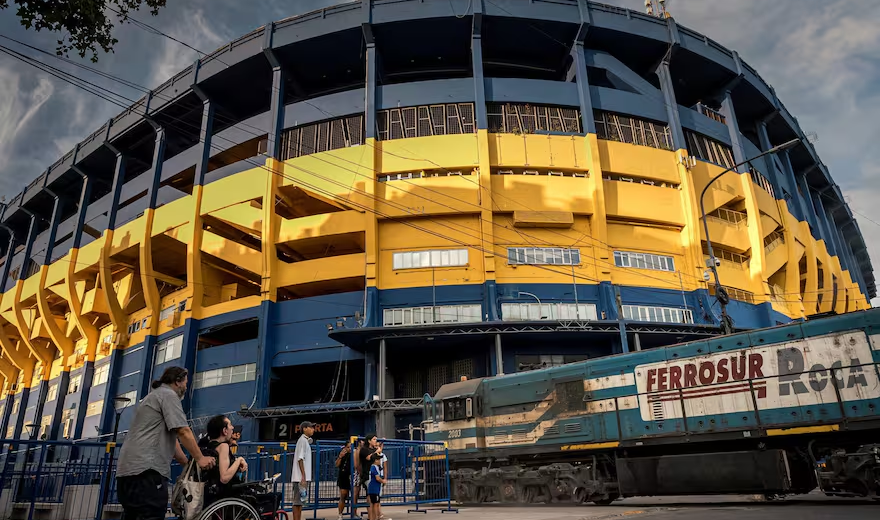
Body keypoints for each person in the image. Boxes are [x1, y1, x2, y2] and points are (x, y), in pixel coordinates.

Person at [116, 367, 215, 520]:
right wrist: (200, 458)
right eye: (185, 383)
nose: (186, 387)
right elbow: (183, 431)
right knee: (151, 514)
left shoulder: (154, 396)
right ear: (177, 381)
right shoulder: (168, 395)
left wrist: (186, 462)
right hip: (147, 472)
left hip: (128, 472)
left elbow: (173, 438)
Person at [201, 415, 249, 506]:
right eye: (230, 425)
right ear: (224, 431)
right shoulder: (223, 447)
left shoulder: (208, 445)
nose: (233, 428)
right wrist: (239, 460)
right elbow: (224, 478)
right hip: (226, 496)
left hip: (210, 495)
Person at [292, 421, 315, 520]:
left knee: (301, 502)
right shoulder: (302, 441)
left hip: (301, 477)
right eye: (311, 427)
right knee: (297, 502)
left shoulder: (305, 441)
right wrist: (303, 476)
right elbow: (300, 459)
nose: (313, 429)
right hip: (300, 478)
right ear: (305, 428)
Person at [353, 434, 379, 515]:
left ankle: (375, 515)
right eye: (374, 439)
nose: (376, 441)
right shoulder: (363, 450)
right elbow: (367, 458)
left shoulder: (374, 449)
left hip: (374, 475)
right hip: (367, 475)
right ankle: (368, 515)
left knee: (374, 496)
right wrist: (377, 451)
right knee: (368, 496)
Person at [335, 439, 353, 520]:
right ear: (345, 448)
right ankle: (340, 514)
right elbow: (337, 465)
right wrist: (340, 457)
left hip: (351, 476)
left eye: (351, 447)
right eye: (348, 447)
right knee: (343, 495)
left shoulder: (354, 455)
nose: (350, 449)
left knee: (354, 495)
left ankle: (354, 512)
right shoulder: (343, 455)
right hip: (343, 476)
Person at [367, 453, 386, 520]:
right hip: (374, 489)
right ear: (375, 460)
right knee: (375, 504)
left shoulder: (375, 467)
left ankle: (372, 518)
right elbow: (377, 478)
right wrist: (383, 481)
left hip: (374, 489)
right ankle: (375, 518)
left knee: (373, 504)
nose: (380, 461)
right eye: (379, 459)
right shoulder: (374, 467)